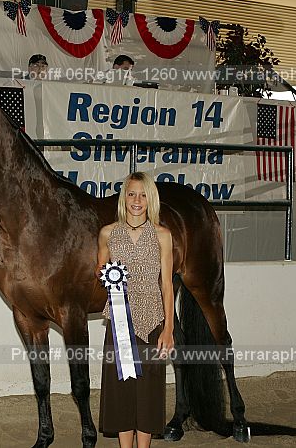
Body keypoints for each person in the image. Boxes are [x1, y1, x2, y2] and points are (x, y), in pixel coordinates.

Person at [95, 172, 175, 448]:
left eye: (143, 195)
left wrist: (168, 329)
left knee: (148, 393)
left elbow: (167, 284)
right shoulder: (107, 233)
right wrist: (106, 274)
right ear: (124, 198)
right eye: (131, 194)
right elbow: (100, 269)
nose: (137, 200)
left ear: (150, 199)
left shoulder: (163, 235)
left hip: (153, 323)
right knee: (122, 390)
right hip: (119, 323)